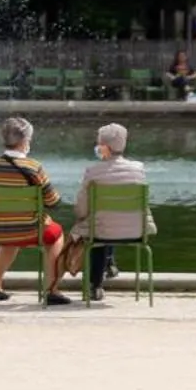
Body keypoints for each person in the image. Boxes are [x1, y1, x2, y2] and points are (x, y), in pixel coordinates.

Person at [0, 116, 70, 305]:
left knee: (9, 235)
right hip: (29, 229)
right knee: (56, 234)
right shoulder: (34, 167)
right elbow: (52, 201)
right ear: (26, 141)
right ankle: (51, 289)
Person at [61, 122, 154, 304]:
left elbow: (81, 209)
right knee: (108, 221)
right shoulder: (139, 169)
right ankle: (109, 262)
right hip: (136, 232)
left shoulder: (93, 172)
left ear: (104, 147)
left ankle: (95, 286)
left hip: (103, 231)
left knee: (98, 229)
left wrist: (80, 217)